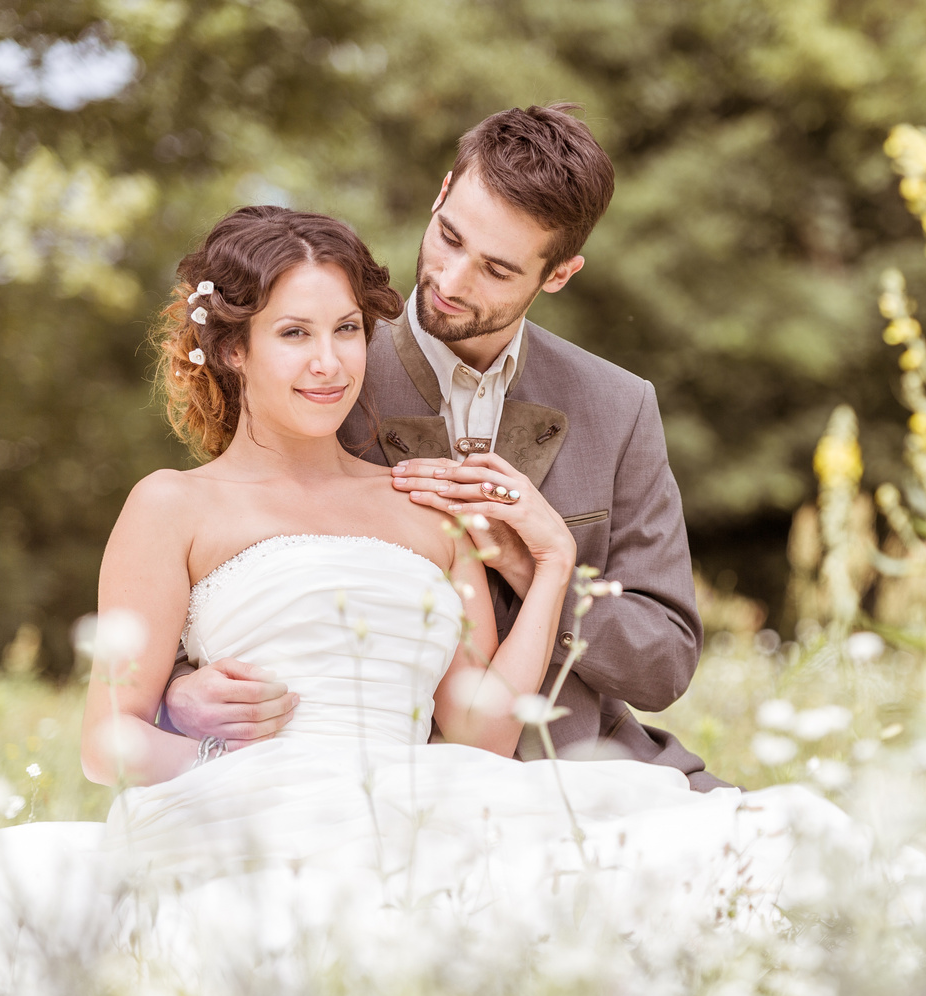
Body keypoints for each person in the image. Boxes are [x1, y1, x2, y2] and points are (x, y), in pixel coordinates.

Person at [0, 207, 850, 970]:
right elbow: (106, 738)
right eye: (293, 333)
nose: (330, 360)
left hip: (427, 791)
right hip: (255, 805)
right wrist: (213, 745)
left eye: (347, 329)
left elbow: (481, 733)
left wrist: (551, 566)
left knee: (755, 845)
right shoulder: (173, 507)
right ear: (230, 349)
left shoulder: (422, 503)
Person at [159, 105, 727, 790]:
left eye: (496, 269)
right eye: (449, 237)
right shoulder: (320, 371)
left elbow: (664, 665)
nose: (453, 282)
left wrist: (531, 564)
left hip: (589, 771)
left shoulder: (619, 406)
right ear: (440, 194)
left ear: (559, 274)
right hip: (378, 782)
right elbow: (220, 564)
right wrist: (178, 691)